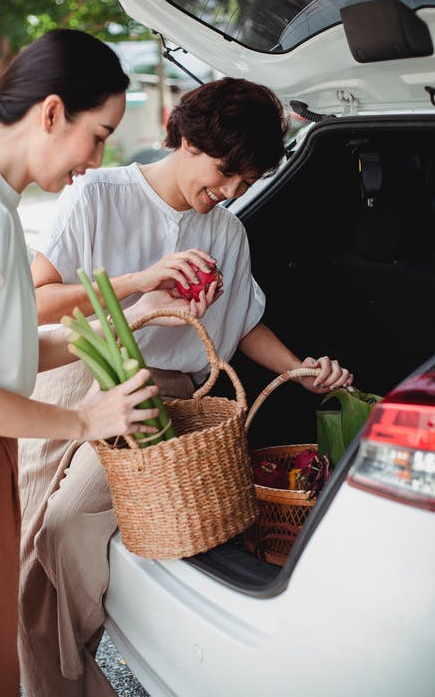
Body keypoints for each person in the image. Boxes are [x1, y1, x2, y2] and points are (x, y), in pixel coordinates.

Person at [19, 77, 353, 696]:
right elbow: (36, 302)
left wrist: (300, 371)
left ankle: (60, 682)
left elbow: (246, 322)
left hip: (161, 397)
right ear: (188, 136)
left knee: (62, 527)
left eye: (245, 184)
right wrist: (140, 283)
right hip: (73, 373)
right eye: (226, 172)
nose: (228, 192)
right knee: (25, 548)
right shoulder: (98, 196)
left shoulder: (227, 232)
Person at [0, 28, 212, 697]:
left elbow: (10, 350)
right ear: (52, 112)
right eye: (99, 133)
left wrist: (132, 322)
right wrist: (86, 421)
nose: (100, 157)